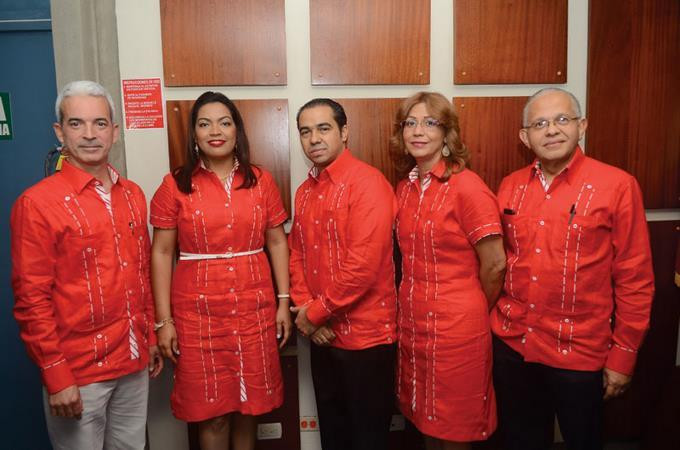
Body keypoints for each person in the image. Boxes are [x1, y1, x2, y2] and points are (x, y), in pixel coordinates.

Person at [490, 87, 654, 450]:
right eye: (540, 123)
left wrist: (623, 357)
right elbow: (497, 263)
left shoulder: (617, 185)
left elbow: (635, 279)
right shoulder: (510, 186)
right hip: (513, 345)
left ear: (582, 126)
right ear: (525, 136)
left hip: (579, 353)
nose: (551, 130)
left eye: (562, 120)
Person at [10, 80, 162, 450]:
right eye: (76, 124)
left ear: (115, 131)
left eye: (100, 123)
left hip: (132, 361)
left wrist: (151, 339)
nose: (90, 134)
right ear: (59, 132)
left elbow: (140, 274)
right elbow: (32, 299)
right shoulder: (37, 204)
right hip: (78, 372)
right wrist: (56, 375)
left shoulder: (132, 195)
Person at [150, 91, 292, 450]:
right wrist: (163, 321)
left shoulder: (261, 181)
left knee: (248, 409)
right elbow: (163, 252)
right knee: (212, 412)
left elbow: (276, 242)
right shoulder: (175, 184)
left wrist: (283, 302)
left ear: (236, 131)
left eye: (224, 122)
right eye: (204, 123)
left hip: (254, 309)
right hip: (198, 316)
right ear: (193, 135)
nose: (215, 130)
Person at [390, 92, 506, 450]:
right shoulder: (405, 188)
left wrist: (469, 307)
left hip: (458, 328)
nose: (418, 131)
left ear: (447, 132)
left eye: (430, 122)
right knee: (424, 416)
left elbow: (495, 263)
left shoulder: (468, 187)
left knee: (454, 426)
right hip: (414, 323)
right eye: (410, 123)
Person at [289, 98, 397, 450]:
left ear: (344, 132)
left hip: (366, 339)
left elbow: (362, 266)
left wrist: (314, 314)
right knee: (333, 436)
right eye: (305, 131)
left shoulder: (369, 183)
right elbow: (297, 254)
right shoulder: (305, 192)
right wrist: (308, 311)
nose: (314, 139)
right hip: (322, 336)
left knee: (367, 437)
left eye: (323, 129)